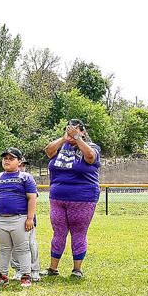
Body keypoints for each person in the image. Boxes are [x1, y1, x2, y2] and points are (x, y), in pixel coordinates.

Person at [44, 119, 101, 279]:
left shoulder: (92, 147)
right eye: (69, 130)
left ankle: (77, 269)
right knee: (58, 232)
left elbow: (90, 157)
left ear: (82, 132)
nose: (71, 133)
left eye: (76, 130)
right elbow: (49, 151)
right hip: (58, 197)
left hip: (83, 198)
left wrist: (77, 138)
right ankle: (53, 268)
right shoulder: (61, 146)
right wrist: (64, 139)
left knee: (78, 232)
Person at [0, 148, 38, 288]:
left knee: (22, 248)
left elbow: (32, 197)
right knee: (4, 248)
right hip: (1, 218)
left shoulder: (25, 177)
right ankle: (2, 275)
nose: (7, 161)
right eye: (5, 158)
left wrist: (30, 218)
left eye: (11, 158)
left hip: (19, 218)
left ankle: (26, 275)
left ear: (19, 161)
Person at [10, 156, 41, 281]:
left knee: (31, 243)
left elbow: (33, 198)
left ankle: (34, 269)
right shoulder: (7, 179)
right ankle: (18, 269)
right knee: (14, 244)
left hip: (27, 217)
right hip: (12, 218)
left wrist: (30, 218)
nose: (22, 168)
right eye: (20, 165)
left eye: (24, 165)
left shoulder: (28, 179)